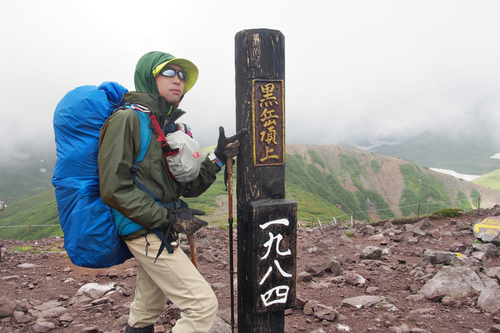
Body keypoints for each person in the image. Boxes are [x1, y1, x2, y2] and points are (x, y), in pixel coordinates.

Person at [98, 51, 246, 333]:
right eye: (169, 73)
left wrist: (216, 157)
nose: (178, 80)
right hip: (144, 227)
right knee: (202, 306)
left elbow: (186, 188)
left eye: (183, 76)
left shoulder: (165, 127)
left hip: (159, 225)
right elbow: (114, 188)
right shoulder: (127, 121)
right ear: (148, 77)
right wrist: (168, 219)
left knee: (147, 307)